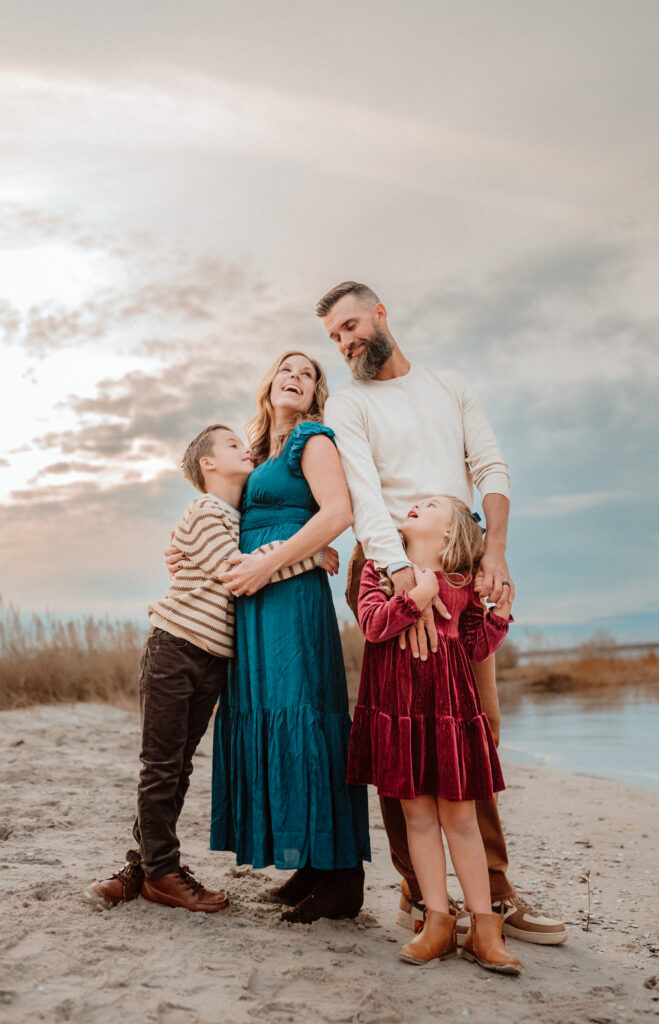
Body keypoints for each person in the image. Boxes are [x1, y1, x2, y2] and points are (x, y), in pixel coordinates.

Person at [319, 280, 567, 945]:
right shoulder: (345, 403)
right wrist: (405, 581)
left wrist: (498, 554)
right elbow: (364, 494)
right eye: (334, 337)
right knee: (399, 731)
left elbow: (489, 464)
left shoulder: (447, 385)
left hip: (463, 568)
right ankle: (418, 891)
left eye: (350, 325)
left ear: (380, 313)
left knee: (472, 725)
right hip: (388, 571)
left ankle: (495, 892)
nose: (345, 341)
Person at [87, 424, 325, 913]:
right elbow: (238, 573)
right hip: (174, 649)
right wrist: (309, 555)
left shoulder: (233, 516)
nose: (246, 449)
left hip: (211, 659)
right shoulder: (206, 509)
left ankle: (145, 867)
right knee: (160, 767)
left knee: (176, 769)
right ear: (207, 465)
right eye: (233, 445)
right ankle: (162, 873)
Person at [210, 351, 371, 924]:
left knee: (303, 714)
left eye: (309, 373)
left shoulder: (312, 439)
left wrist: (265, 564)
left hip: (289, 598)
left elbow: (338, 513)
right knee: (269, 712)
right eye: (288, 369)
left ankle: (341, 877)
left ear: (315, 392)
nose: (297, 376)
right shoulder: (259, 453)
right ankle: (312, 862)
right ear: (270, 383)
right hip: (258, 601)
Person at [348, 495, 521, 973]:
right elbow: (372, 625)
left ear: (451, 532)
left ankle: (485, 927)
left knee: (461, 818)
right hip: (398, 714)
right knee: (417, 818)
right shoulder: (378, 574)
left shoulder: (462, 583)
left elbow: (472, 645)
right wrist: (414, 599)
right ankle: (438, 923)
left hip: (448, 716)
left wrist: (499, 617)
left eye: (430, 504)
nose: (415, 505)